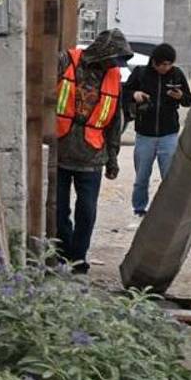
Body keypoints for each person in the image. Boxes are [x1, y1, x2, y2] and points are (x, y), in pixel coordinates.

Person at [55, 28, 133, 273]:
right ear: (102, 52)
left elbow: (114, 123)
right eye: (114, 58)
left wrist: (113, 159)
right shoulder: (66, 61)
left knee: (87, 212)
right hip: (60, 150)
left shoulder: (114, 77)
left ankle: (78, 259)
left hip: (92, 156)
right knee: (58, 210)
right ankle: (63, 254)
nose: (115, 64)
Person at [122, 43, 191, 217]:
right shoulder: (140, 73)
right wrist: (134, 95)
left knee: (169, 176)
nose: (166, 68)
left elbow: (189, 100)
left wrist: (181, 96)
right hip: (144, 134)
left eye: (169, 64)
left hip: (169, 134)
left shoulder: (177, 74)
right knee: (142, 176)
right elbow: (123, 93)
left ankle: (170, 209)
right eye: (163, 64)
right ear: (154, 62)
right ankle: (139, 208)